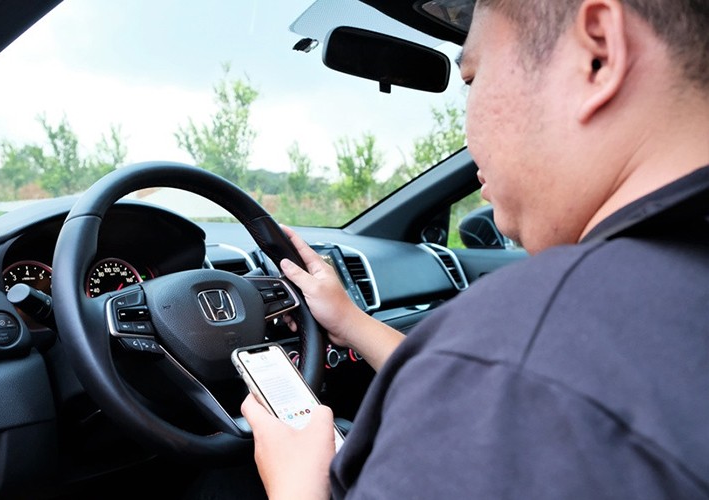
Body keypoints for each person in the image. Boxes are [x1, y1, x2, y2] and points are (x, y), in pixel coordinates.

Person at [241, 0, 709, 497]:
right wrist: (352, 322)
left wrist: (297, 486)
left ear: (598, 54)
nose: (468, 126)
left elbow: (498, 372)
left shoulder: (518, 357)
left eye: (471, 78)